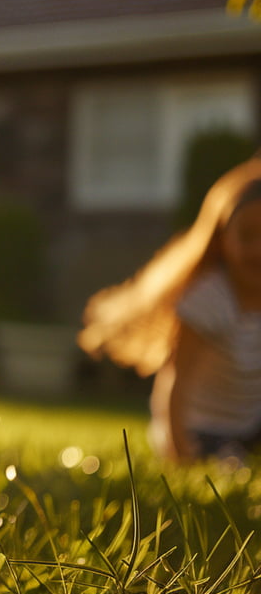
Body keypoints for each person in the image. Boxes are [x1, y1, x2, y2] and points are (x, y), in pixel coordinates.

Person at [80, 159, 261, 463]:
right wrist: (179, 452)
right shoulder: (209, 300)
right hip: (200, 429)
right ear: (220, 239)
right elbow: (176, 384)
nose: (259, 249)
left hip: (248, 427)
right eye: (247, 236)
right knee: (230, 467)